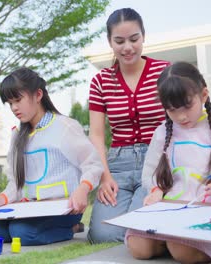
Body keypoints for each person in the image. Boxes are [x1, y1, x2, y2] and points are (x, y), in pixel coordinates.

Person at [125, 61, 211, 264]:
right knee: (139, 248)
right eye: (172, 109)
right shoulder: (162, 133)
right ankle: (171, 242)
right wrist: (156, 189)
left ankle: (194, 247)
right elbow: (150, 172)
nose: (181, 116)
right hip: (171, 208)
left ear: (204, 95)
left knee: (182, 250)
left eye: (187, 106)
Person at [0, 67, 103, 246]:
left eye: (18, 100)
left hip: (65, 207)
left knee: (22, 233)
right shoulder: (17, 135)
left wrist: (83, 189)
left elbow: (93, 164)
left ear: (38, 94)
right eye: (10, 103)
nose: (14, 108)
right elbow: (16, 183)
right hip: (30, 208)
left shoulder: (65, 126)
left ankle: (71, 228)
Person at [87, 7, 170, 243]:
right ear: (110, 42)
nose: (127, 47)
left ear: (143, 36)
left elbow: (178, 123)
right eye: (119, 41)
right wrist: (105, 176)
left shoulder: (164, 71)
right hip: (116, 165)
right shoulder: (100, 81)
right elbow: (96, 135)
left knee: (139, 229)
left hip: (156, 162)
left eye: (134, 39)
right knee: (103, 235)